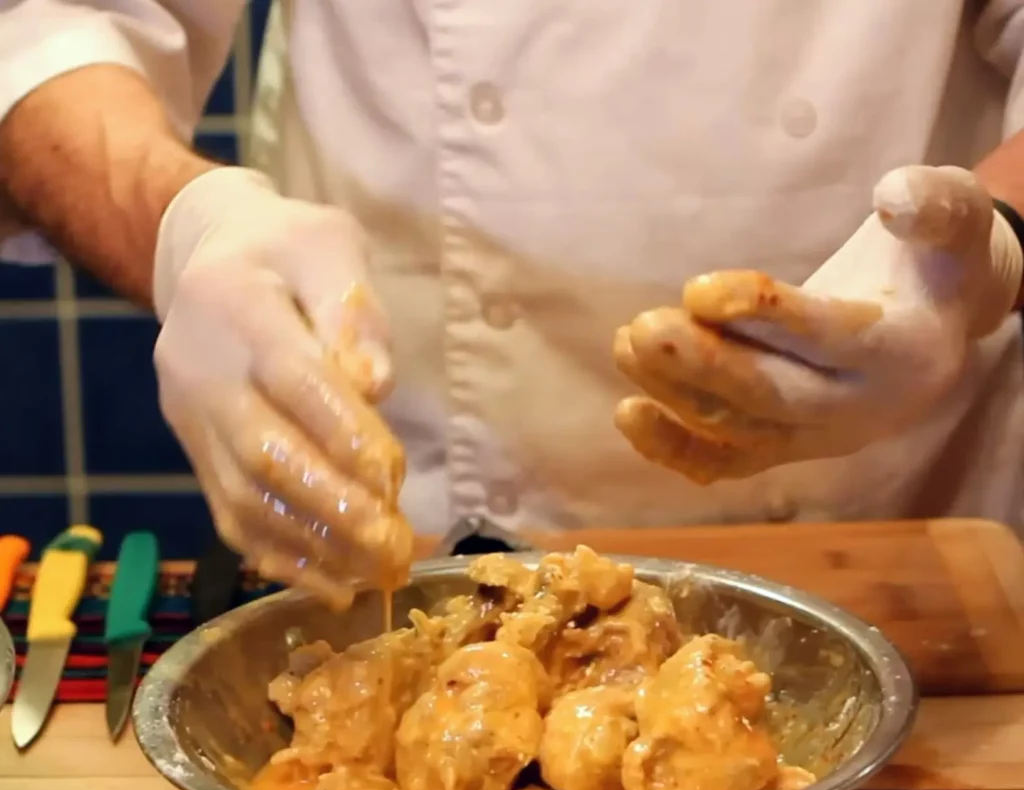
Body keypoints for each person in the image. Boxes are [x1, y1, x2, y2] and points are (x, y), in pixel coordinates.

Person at [2, 3, 1024, 607]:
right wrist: (189, 228)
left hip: (897, 536)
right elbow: (49, 25)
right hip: (409, 534)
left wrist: (988, 251)